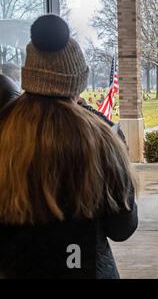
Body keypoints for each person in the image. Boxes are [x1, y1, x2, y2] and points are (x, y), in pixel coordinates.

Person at [0, 15, 138, 279]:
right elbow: (122, 228)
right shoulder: (102, 139)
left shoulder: (4, 129)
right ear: (77, 81)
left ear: (29, 75)